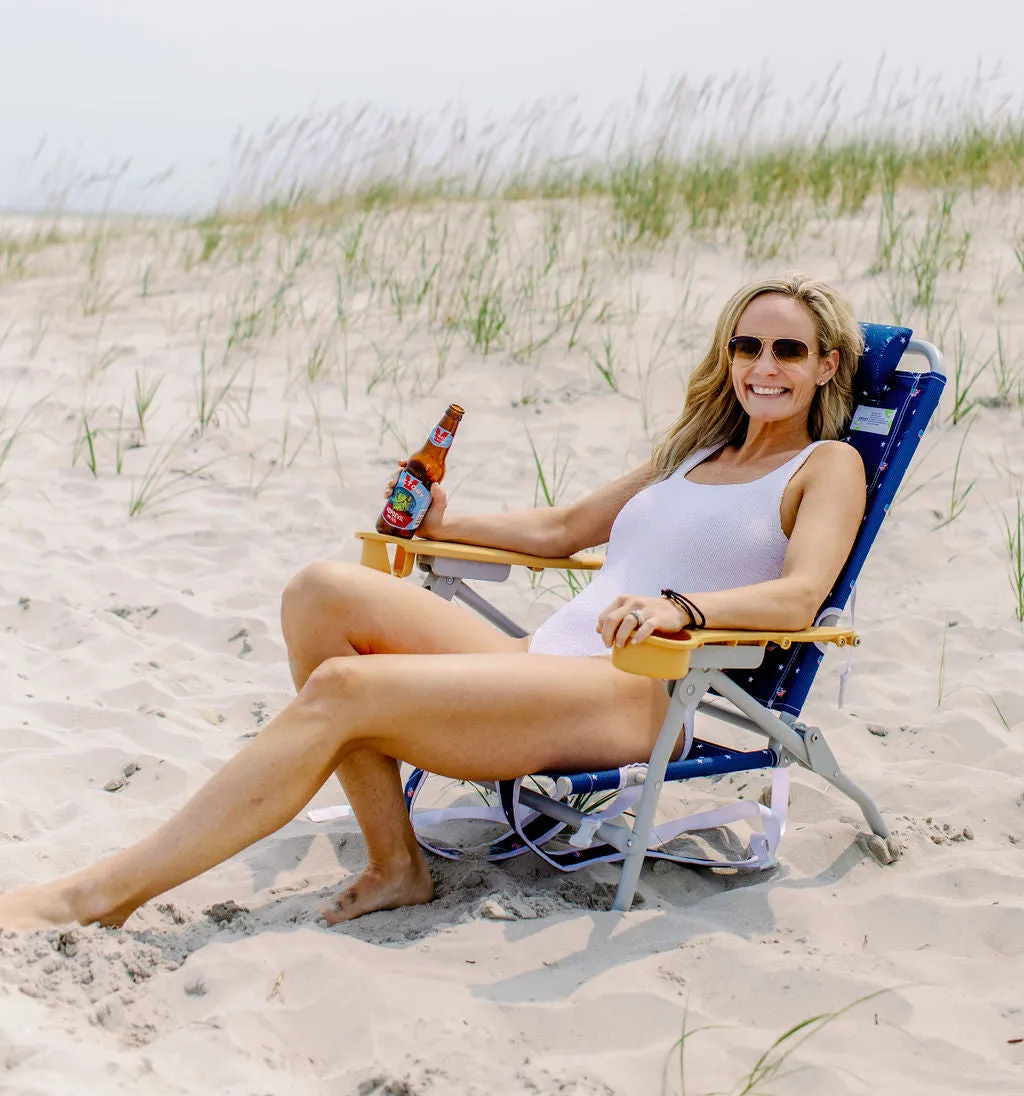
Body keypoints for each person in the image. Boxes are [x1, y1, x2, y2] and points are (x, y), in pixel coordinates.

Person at [0, 274, 866, 932]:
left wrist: (683, 607)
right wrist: (446, 523)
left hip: (640, 689)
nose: (764, 367)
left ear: (827, 364)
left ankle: (98, 894)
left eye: (789, 352)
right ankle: (395, 865)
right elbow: (563, 528)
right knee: (320, 593)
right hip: (546, 663)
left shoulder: (825, 467)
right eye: (748, 347)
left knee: (343, 688)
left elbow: (801, 596)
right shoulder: (696, 453)